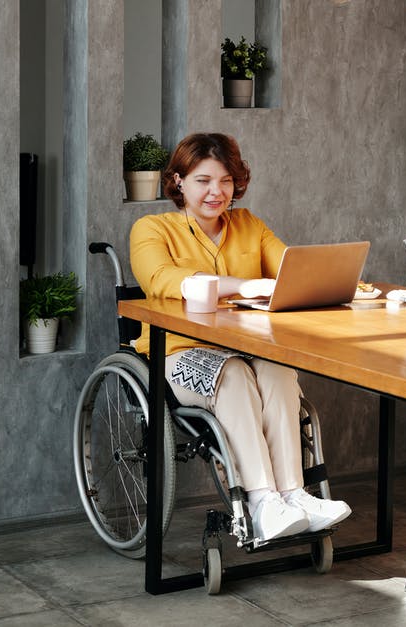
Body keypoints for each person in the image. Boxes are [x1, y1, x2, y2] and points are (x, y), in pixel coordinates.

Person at [129, 132, 351, 541]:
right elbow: (161, 279)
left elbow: (290, 268)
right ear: (178, 181)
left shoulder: (249, 225)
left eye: (226, 180)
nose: (217, 191)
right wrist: (242, 286)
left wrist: (328, 279)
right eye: (203, 180)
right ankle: (262, 501)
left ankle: (294, 495)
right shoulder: (151, 229)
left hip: (248, 347)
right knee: (232, 376)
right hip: (178, 351)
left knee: (279, 371)